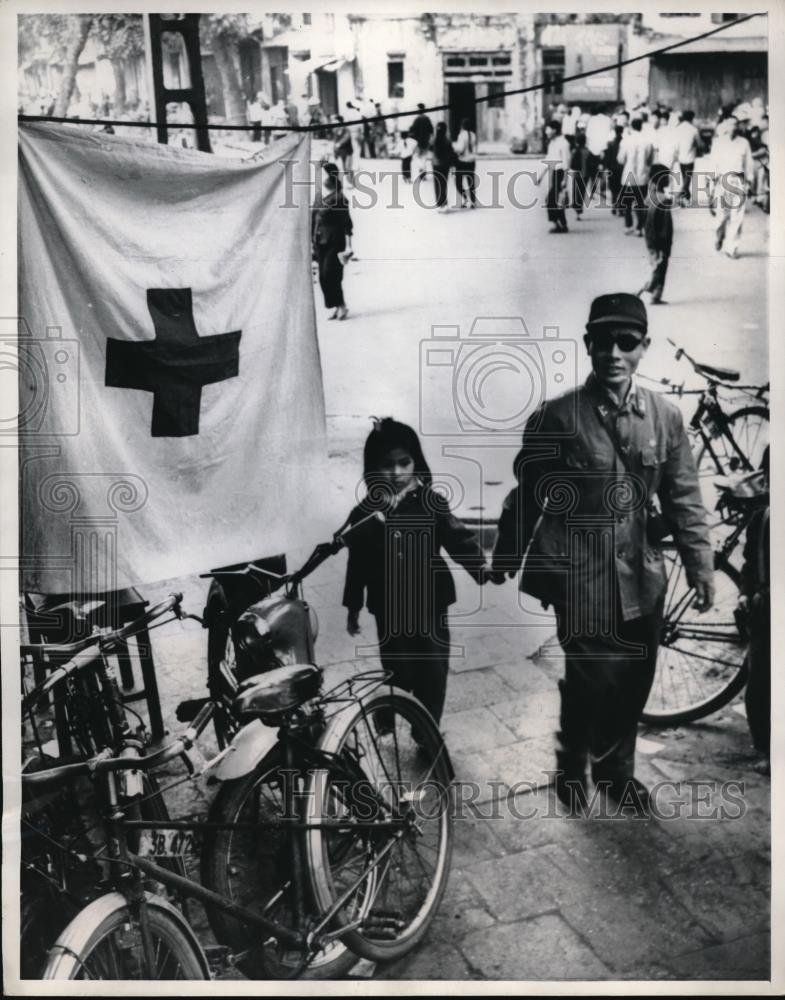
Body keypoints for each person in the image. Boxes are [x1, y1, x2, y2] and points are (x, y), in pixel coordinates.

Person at [491, 293, 714, 814]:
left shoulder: (664, 417)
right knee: (594, 679)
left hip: (641, 574)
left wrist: (701, 567)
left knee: (634, 680)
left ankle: (616, 773)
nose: (614, 353)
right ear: (588, 344)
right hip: (581, 573)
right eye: (603, 341)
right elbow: (528, 493)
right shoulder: (557, 416)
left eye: (627, 342)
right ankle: (572, 764)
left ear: (643, 348)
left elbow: (684, 497)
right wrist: (507, 555)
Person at [343, 418, 488, 725]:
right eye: (387, 465)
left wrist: (481, 567)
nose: (396, 473)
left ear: (416, 463)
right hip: (388, 606)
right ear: (372, 469)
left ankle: (427, 729)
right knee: (397, 666)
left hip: (430, 603)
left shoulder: (431, 503)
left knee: (433, 669)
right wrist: (353, 606)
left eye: (404, 462)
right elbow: (357, 563)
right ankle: (388, 710)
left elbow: (458, 538)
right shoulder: (364, 513)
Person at [740, 446, 770, 773]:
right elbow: (750, 563)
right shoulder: (761, 520)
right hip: (766, 614)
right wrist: (745, 594)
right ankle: (766, 746)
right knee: (760, 685)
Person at [311, 163, 353, 320]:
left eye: (324, 174)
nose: (321, 177)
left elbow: (347, 224)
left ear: (331, 177)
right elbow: (314, 219)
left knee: (331, 275)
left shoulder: (340, 198)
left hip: (335, 242)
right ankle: (336, 305)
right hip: (319, 242)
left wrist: (349, 247)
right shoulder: (319, 196)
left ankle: (342, 305)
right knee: (322, 277)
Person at [709, 115, 754, 259]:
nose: (733, 127)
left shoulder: (744, 143)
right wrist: (711, 184)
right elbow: (713, 164)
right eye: (730, 124)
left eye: (735, 124)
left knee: (737, 216)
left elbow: (749, 164)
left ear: (738, 126)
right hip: (722, 180)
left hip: (738, 181)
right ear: (725, 126)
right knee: (722, 216)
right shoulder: (718, 143)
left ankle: (732, 248)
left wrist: (750, 181)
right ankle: (719, 236)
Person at [638, 165, 674, 305]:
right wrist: (666, 242)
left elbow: (643, 218)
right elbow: (666, 226)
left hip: (650, 239)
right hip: (661, 240)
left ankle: (655, 295)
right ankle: (649, 288)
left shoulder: (649, 197)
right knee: (660, 268)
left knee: (657, 266)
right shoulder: (663, 200)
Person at [617, 117, 653, 236]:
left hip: (628, 176)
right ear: (641, 126)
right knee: (640, 202)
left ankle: (628, 225)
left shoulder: (626, 141)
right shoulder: (647, 141)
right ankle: (639, 228)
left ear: (631, 127)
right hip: (642, 176)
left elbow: (621, 159)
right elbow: (649, 160)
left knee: (627, 202)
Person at [544, 119, 570, 233]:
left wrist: (564, 179)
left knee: (552, 200)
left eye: (548, 129)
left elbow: (566, 162)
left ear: (554, 130)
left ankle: (559, 224)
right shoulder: (552, 143)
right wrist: (540, 176)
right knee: (556, 201)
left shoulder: (564, 143)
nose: (546, 131)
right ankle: (561, 224)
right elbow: (548, 160)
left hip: (560, 174)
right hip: (554, 173)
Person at [676, 110, 701, 207]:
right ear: (691, 118)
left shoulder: (678, 128)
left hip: (680, 157)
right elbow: (699, 144)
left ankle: (686, 198)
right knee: (687, 178)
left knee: (685, 178)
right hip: (690, 157)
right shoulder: (693, 129)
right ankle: (681, 195)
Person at [453, 118, 478, 208]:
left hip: (462, 162)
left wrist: (454, 149)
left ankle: (465, 198)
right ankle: (473, 201)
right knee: (470, 182)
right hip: (471, 161)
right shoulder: (473, 135)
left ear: (462, 126)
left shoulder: (462, 135)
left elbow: (460, 149)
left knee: (458, 182)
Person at [431, 121, 454, 211]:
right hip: (445, 164)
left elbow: (431, 149)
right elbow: (451, 153)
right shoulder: (447, 140)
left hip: (436, 164)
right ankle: (444, 202)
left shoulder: (434, 140)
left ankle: (439, 203)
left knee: (437, 183)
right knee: (444, 183)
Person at [569, 129, 592, 220]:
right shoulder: (587, 151)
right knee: (581, 192)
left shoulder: (575, 151)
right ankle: (579, 209)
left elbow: (572, 164)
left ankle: (577, 209)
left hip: (577, 175)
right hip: (585, 175)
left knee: (576, 191)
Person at [409, 103, 434, 179]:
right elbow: (431, 130)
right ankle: (423, 171)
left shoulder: (417, 119)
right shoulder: (427, 119)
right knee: (424, 157)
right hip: (426, 140)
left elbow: (412, 129)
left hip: (418, 141)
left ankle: (422, 171)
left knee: (419, 157)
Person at [604, 124, 625, 214]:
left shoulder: (610, 144)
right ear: (622, 131)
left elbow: (607, 158)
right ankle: (620, 207)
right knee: (621, 188)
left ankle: (614, 205)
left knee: (613, 189)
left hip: (612, 169)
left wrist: (606, 168)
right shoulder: (624, 143)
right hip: (622, 169)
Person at [332, 115, 355, 186]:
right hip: (341, 152)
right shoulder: (335, 130)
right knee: (345, 168)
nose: (334, 123)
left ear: (340, 121)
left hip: (348, 151)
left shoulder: (346, 129)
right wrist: (335, 152)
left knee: (348, 167)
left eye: (336, 121)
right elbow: (335, 142)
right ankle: (350, 181)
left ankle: (352, 182)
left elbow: (346, 137)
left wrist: (339, 143)